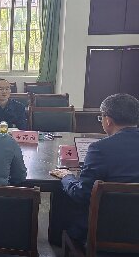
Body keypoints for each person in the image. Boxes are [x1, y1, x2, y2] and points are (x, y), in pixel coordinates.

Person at [50, 93, 139, 242]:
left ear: (108, 120)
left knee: (65, 197)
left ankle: (59, 244)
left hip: (102, 233)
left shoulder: (100, 148)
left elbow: (82, 194)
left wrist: (67, 176)